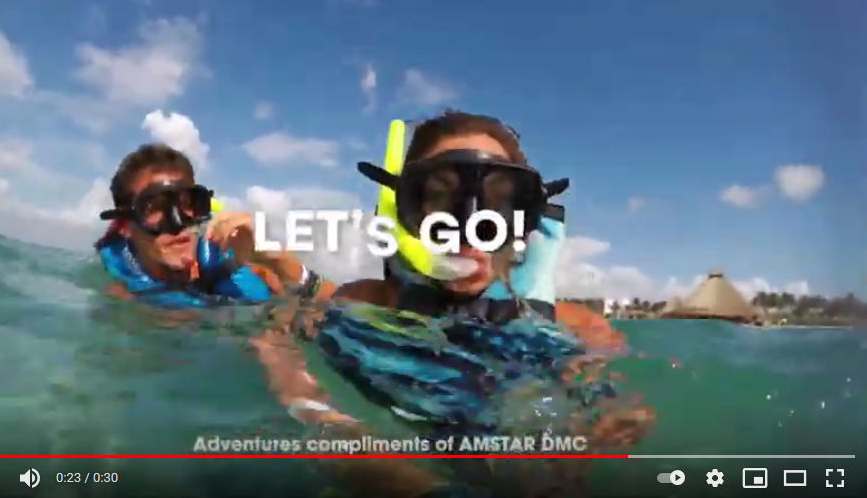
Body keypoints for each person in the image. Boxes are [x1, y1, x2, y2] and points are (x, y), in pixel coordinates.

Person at [253, 111, 652, 498]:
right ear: (407, 212)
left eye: (498, 202)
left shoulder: (579, 328)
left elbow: (625, 417)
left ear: (524, 217)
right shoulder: (368, 301)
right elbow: (284, 340)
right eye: (441, 197)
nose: (470, 224)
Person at [94, 143, 333, 307]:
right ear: (124, 225)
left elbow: (342, 304)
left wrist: (278, 262)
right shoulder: (120, 292)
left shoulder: (231, 260)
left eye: (187, 203)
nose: (178, 224)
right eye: (154, 208)